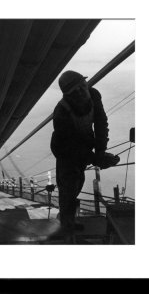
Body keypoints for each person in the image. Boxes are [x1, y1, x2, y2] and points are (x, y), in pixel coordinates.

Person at [50, 71, 119, 243]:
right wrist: (97, 159)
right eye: (75, 91)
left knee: (78, 183)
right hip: (65, 151)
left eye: (82, 86)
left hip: (84, 143)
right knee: (69, 187)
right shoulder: (61, 112)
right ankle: (67, 224)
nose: (81, 92)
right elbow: (71, 147)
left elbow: (101, 123)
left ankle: (68, 221)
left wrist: (101, 152)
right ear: (67, 95)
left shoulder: (94, 95)